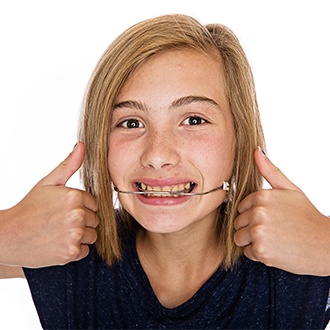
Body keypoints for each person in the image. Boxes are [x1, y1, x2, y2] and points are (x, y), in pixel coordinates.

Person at [0, 14, 329, 329]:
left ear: (239, 137)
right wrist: (8, 232)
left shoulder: (303, 253)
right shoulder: (67, 246)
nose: (158, 155)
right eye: (131, 123)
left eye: (194, 120)